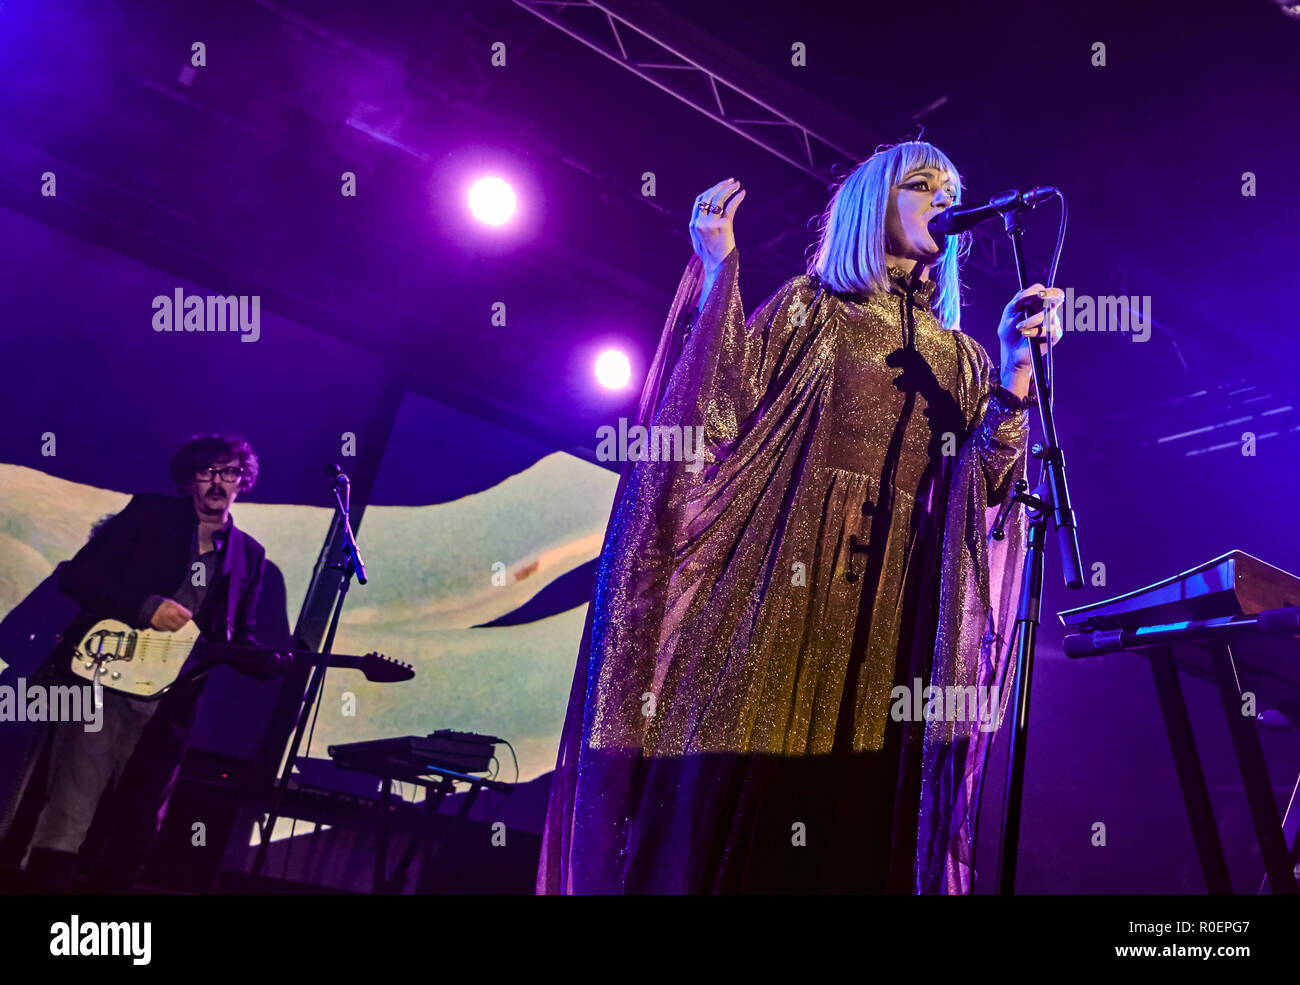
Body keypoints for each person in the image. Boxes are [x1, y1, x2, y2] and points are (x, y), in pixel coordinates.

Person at [538, 140, 1063, 894]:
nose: (943, 198)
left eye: (952, 187)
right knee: (749, 825)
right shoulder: (810, 312)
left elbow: (985, 492)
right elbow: (712, 418)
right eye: (921, 185)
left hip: (897, 616)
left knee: (857, 826)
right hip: (780, 601)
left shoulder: (963, 359)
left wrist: (1013, 374)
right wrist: (720, 273)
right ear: (870, 205)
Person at [16, 434, 288, 892]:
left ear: (245, 480)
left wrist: (269, 663)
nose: (219, 483)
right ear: (189, 479)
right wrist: (146, 607)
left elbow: (237, 637)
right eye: (208, 472)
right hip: (101, 683)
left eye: (231, 472)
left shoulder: (250, 555)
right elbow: (79, 578)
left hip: (170, 704)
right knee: (70, 810)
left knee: (140, 824)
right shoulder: (149, 514)